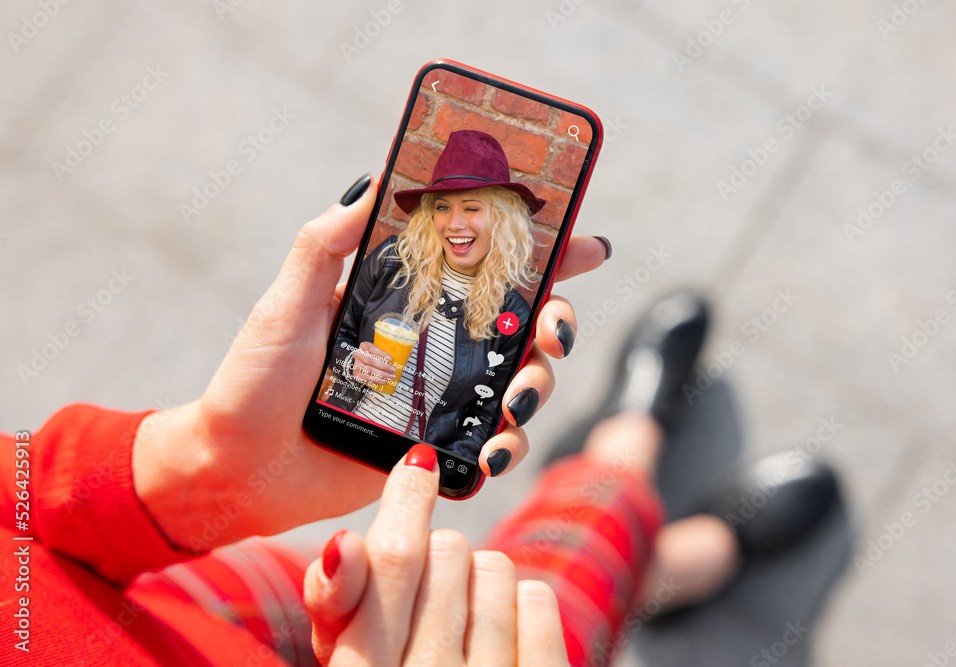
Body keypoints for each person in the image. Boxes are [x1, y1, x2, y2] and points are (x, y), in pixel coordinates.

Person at [1, 177, 837, 666]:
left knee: (430, 589)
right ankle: (632, 485)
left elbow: (21, 500)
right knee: (522, 603)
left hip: (158, 609)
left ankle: (642, 545)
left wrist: (194, 475)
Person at [323, 129, 551, 462]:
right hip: (343, 434)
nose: (454, 224)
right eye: (443, 207)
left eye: (472, 208)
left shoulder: (511, 314)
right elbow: (335, 337)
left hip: (415, 465)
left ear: (501, 219)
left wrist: (440, 468)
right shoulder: (392, 262)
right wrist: (351, 362)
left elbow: (484, 416)